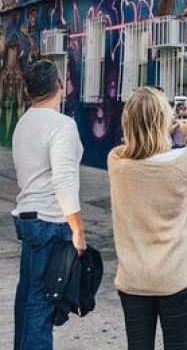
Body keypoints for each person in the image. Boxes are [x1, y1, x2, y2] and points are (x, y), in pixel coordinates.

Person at [108, 87, 187, 350]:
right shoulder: (184, 160)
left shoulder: (115, 161)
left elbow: (137, 149)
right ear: (162, 122)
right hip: (174, 279)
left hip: (133, 279)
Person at [11, 59, 86, 350]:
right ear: (59, 85)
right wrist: (77, 230)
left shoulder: (23, 123)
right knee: (43, 305)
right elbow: (64, 181)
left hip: (29, 221)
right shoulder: (62, 126)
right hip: (51, 224)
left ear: (29, 91)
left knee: (28, 298)